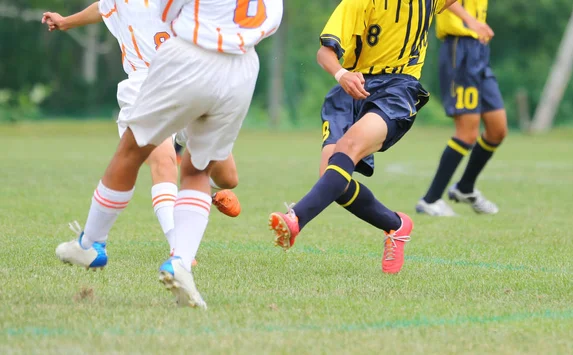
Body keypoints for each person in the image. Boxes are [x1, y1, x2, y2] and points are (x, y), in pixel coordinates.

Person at [51, 0, 283, 308]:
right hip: (241, 68)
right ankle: (180, 261)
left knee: (132, 152)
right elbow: (271, 23)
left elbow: (168, 12)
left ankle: (91, 243)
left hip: (188, 59)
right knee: (195, 170)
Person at [42, 1, 243, 263]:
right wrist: (67, 21)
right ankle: (178, 250)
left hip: (189, 82)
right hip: (145, 84)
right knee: (164, 160)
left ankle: (202, 192)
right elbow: (103, 8)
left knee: (228, 177)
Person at [269, 0, 457, 274]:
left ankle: (296, 219)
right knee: (332, 178)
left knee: (347, 148)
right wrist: (341, 73)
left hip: (396, 88)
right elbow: (324, 54)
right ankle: (396, 224)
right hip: (349, 91)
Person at [416, 0, 508, 216]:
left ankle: (465, 188)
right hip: (460, 49)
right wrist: (471, 21)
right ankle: (430, 199)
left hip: (479, 50)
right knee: (467, 133)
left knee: (498, 129)